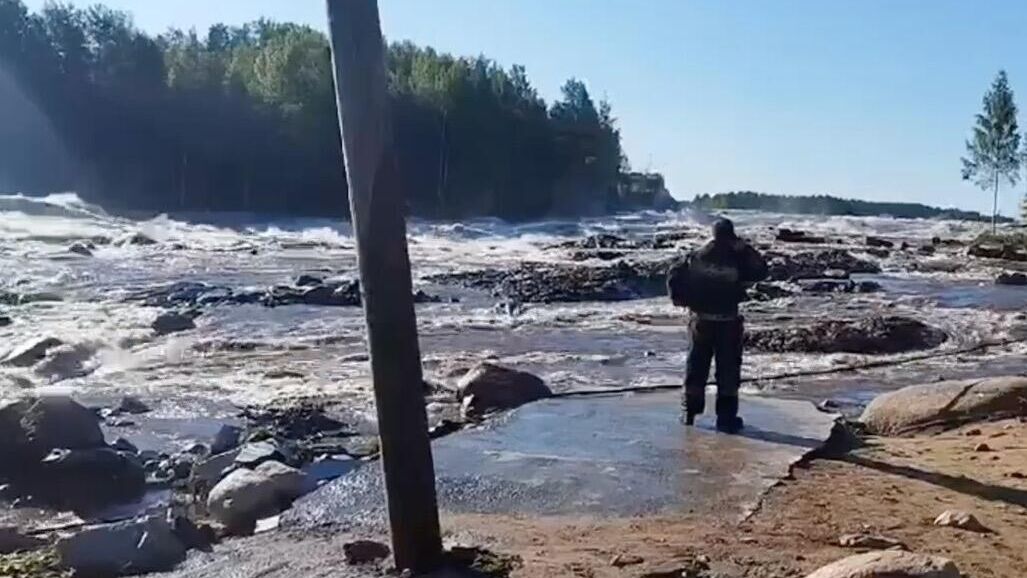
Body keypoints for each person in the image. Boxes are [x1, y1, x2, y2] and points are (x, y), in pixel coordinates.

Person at [667, 218, 768, 433]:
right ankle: (726, 419)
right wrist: (745, 248)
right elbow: (761, 271)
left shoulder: (697, 255)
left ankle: (689, 413)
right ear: (731, 237)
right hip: (727, 321)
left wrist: (681, 300)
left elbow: (674, 274)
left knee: (696, 367)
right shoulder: (737, 259)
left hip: (700, 320)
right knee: (728, 371)